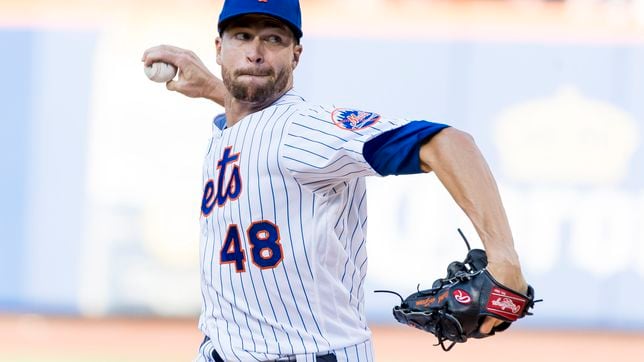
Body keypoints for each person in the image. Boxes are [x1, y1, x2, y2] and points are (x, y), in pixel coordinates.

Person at [142, 0, 528, 361]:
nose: (255, 51)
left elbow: (450, 143)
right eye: (242, 36)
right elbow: (249, 120)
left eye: (273, 39)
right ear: (218, 46)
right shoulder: (231, 129)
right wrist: (215, 89)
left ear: (296, 54)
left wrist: (504, 258)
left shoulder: (303, 128)